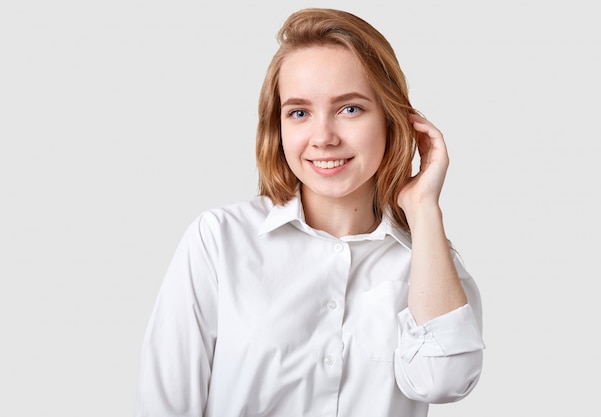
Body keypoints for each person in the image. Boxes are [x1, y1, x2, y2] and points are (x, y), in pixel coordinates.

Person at [134, 7, 485, 417]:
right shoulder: (218, 240)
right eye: (299, 113)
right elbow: (164, 405)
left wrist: (423, 207)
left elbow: (444, 383)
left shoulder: (428, 261)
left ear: (392, 119)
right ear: (278, 126)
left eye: (349, 108)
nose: (323, 138)